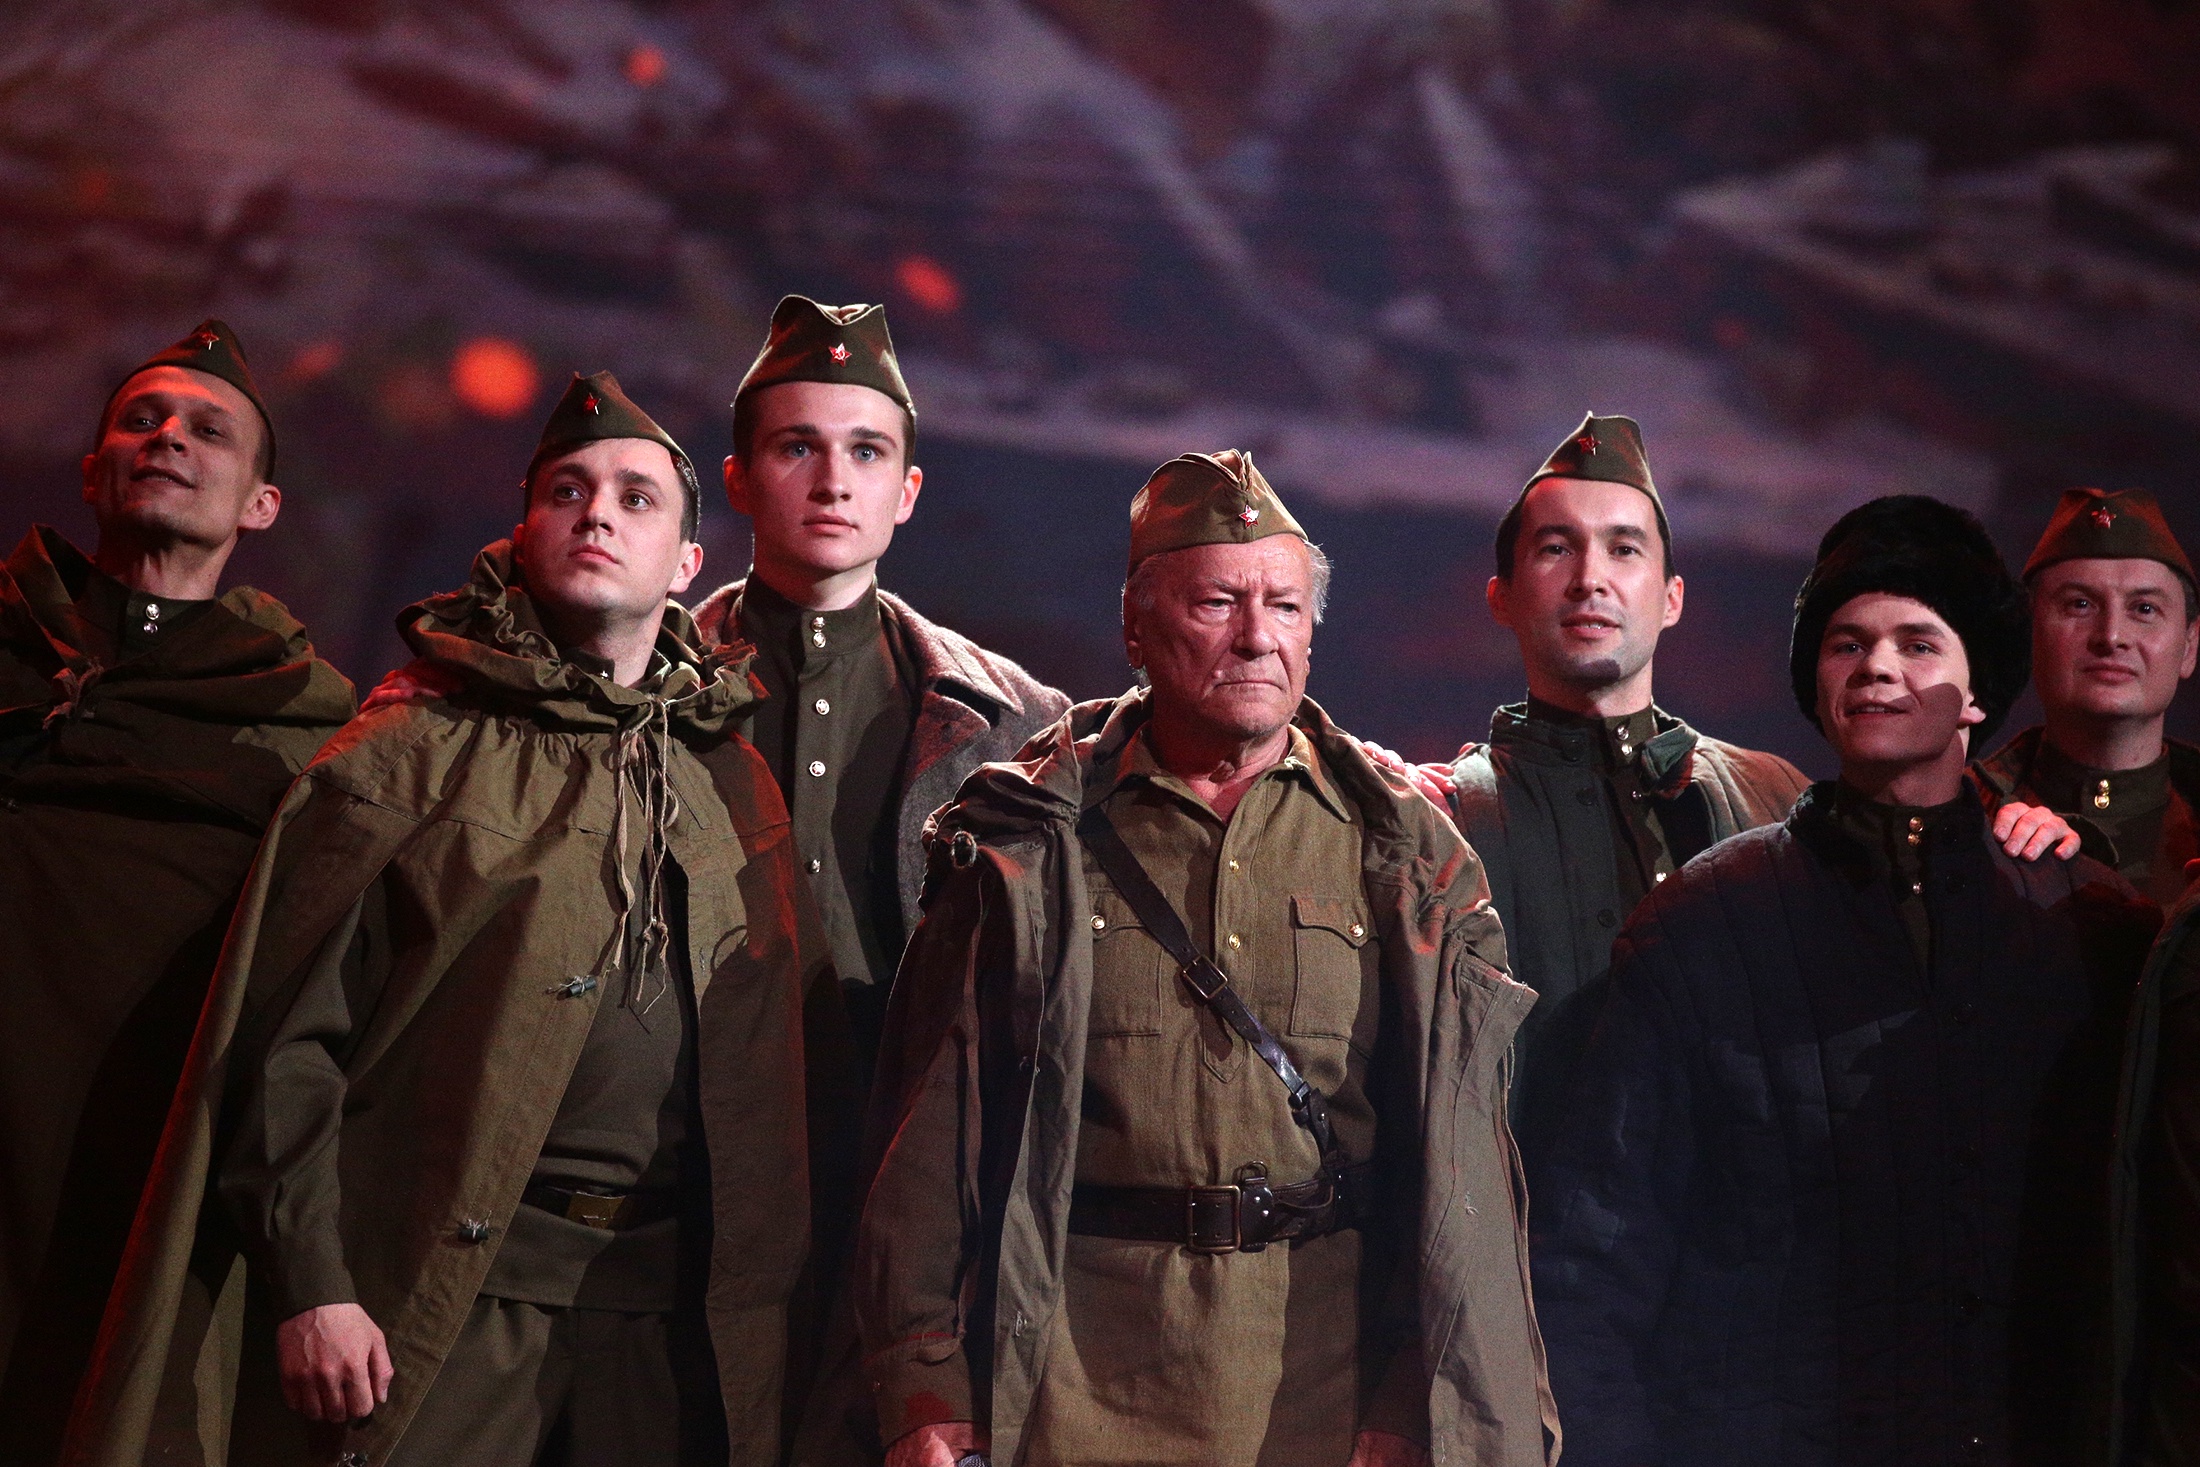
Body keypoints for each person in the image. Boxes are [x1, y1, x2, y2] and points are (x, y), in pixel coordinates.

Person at [65, 372, 849, 1467]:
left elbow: (795, 1062)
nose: (597, 514)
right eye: (567, 492)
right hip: (447, 1297)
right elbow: (283, 1043)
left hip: (666, 1320)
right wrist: (314, 1284)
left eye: (635, 498)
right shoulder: (408, 748)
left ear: (686, 564)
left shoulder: (731, 781)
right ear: (522, 534)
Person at [856, 451, 1556, 1467]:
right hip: (1069, 1389)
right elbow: (931, 1132)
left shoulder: (1406, 855)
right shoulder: (1024, 839)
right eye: (1218, 602)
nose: (1257, 635)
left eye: (1284, 606)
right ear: (1136, 627)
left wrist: (1415, 1397)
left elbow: (1453, 1168)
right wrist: (923, 1385)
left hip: (1326, 1394)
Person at [1531, 495, 2158, 1467]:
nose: (1876, 667)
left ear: (1979, 691)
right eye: (1846, 644)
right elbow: (1597, 1263)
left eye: (1918, 642)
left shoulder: (2087, 926)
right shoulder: (1701, 925)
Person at [0, 320, 354, 1464]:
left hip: (137, 1185)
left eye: (209, 432)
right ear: (91, 469)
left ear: (262, 504)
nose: (168, 439)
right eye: (141, 421)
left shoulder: (305, 725)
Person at [694, 294, 1069, 1080]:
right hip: (686, 1121)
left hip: (904, 1130)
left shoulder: (1021, 723)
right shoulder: (643, 693)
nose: (834, 481)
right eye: (798, 447)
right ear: (738, 479)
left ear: (907, 491)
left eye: (867, 452)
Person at [1418, 413, 1808, 1165]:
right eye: (1556, 548)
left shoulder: (1774, 796)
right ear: (1501, 597)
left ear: (1672, 596)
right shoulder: (1444, 814)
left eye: (1624, 549)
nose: (1589, 578)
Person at [1979, 486, 2200, 906]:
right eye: (2080, 604)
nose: (2111, 636)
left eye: (2144, 609)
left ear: (2190, 646)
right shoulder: (1963, 821)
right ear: (2029, 635)